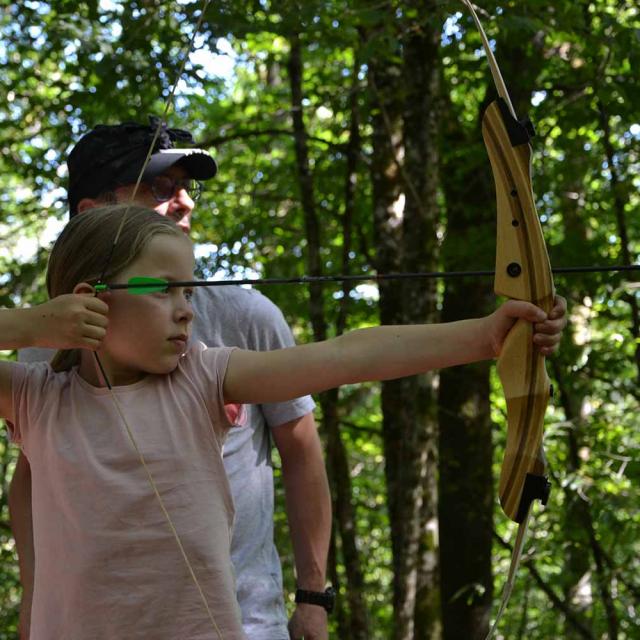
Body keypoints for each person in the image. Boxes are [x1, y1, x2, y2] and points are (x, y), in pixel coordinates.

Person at [1, 204, 563, 639]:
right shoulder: (37, 399)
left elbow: (347, 355)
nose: (186, 308)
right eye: (162, 289)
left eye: (189, 289)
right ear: (87, 303)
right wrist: (29, 326)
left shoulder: (202, 377)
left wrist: (487, 337)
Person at [8, 119, 332, 640]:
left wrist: (314, 595)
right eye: (158, 188)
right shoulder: (45, 340)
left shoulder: (246, 315)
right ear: (92, 215)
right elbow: (30, 482)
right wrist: (33, 596)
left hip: (241, 620)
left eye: (187, 187)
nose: (184, 203)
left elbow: (302, 452)